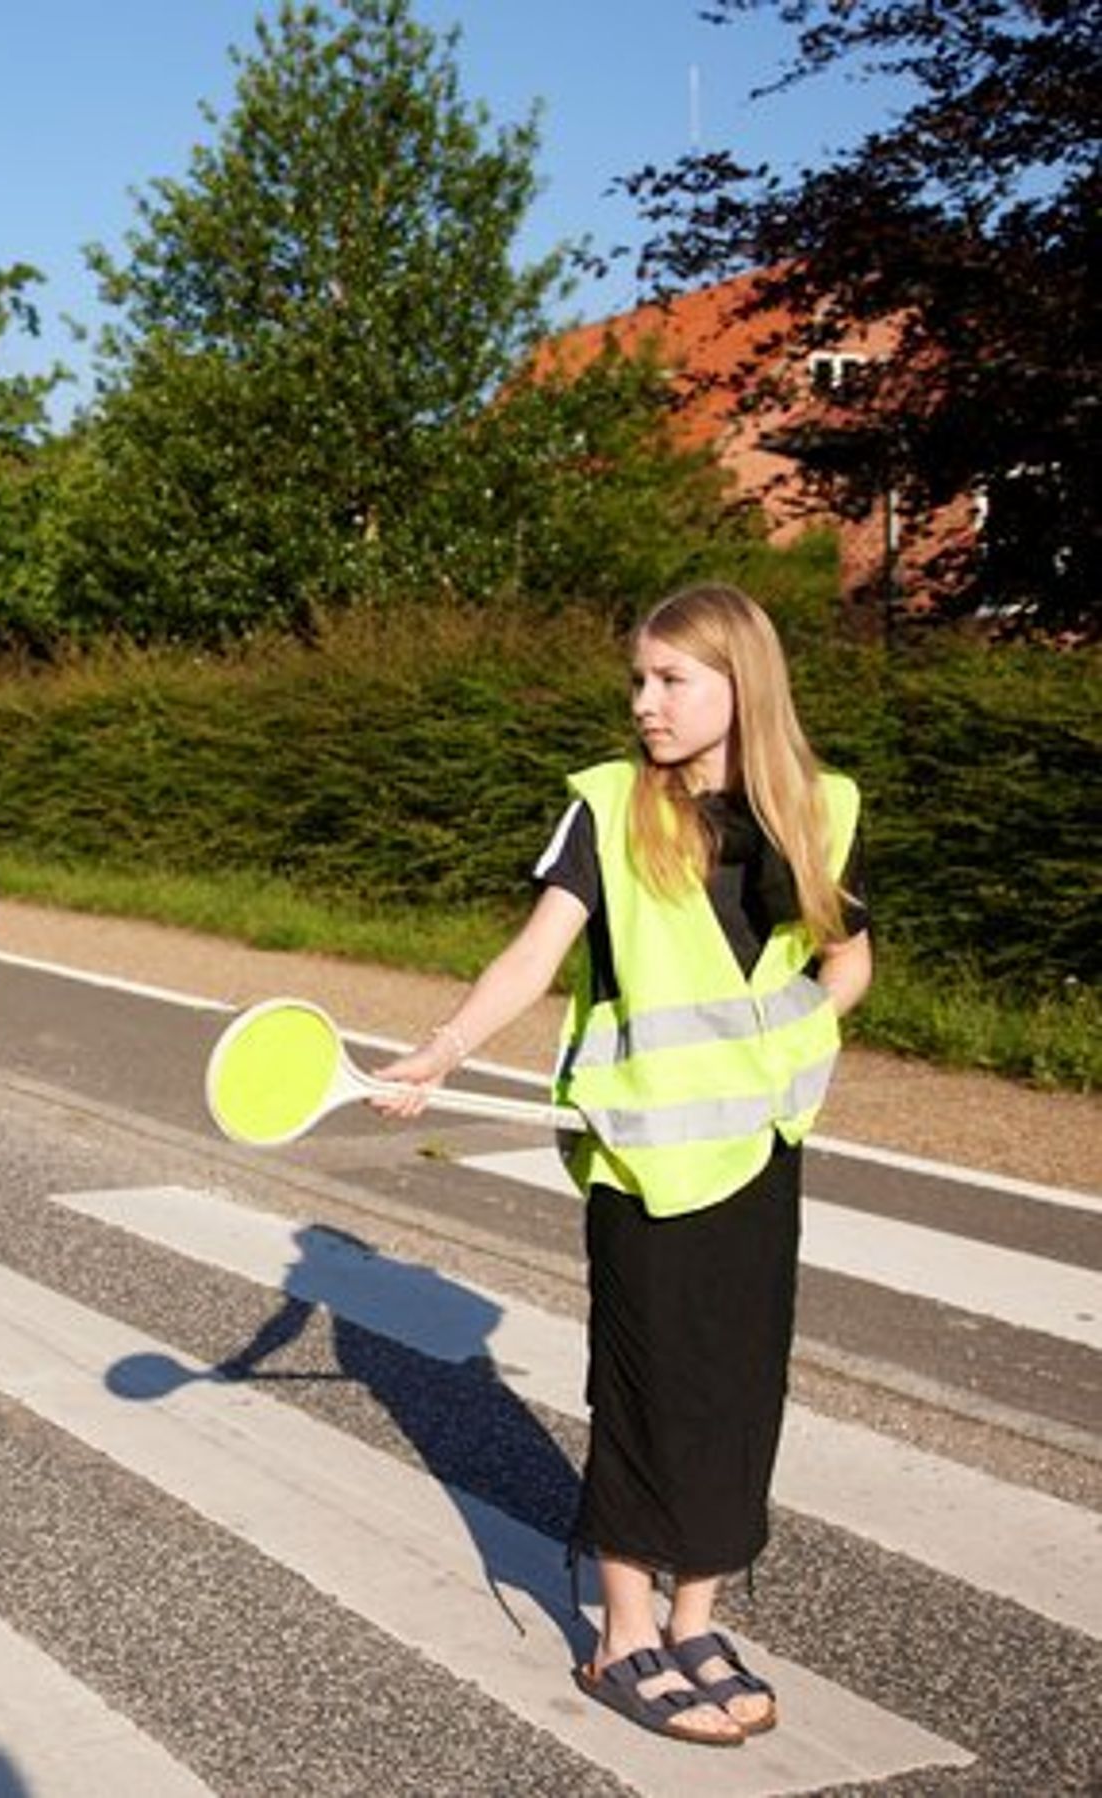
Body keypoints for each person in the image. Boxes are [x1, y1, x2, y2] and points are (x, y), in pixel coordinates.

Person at [367, 583, 870, 1750]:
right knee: (646, 1386)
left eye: (669, 681)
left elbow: (847, 957)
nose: (644, 703)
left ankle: (699, 1618)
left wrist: (797, 1028)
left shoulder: (820, 807)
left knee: (739, 1386)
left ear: (739, 685)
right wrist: (441, 1050)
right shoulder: (604, 808)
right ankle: (622, 1632)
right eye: (637, 680)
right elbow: (533, 954)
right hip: (642, 1158)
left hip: (755, 1145)